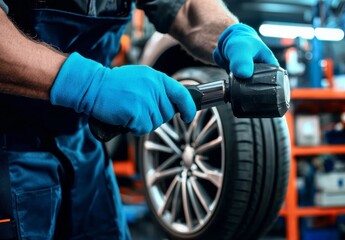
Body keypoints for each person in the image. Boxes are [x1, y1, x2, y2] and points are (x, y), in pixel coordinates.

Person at [0, 0, 279, 239]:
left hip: (81, 147)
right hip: (7, 150)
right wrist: (88, 84)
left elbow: (186, 7)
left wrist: (228, 32)